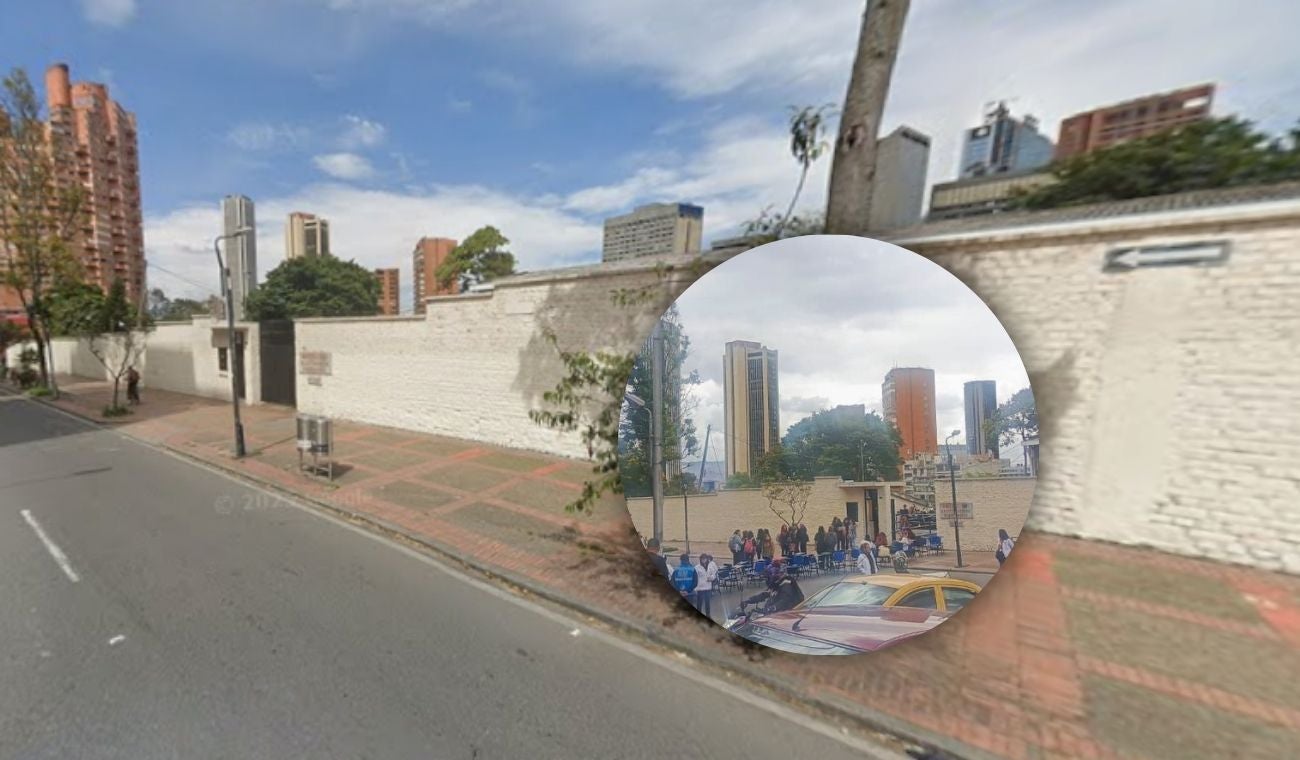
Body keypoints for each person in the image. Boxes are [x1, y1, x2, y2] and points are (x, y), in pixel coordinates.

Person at [694, 553, 718, 618]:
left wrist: (712, 578)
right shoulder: (697, 567)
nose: (703, 560)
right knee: (700, 602)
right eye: (702, 559)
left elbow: (714, 574)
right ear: (700, 560)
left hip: (708, 587)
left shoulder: (710, 566)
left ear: (707, 559)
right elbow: (695, 577)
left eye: (705, 559)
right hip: (700, 588)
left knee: (707, 602)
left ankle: (708, 614)